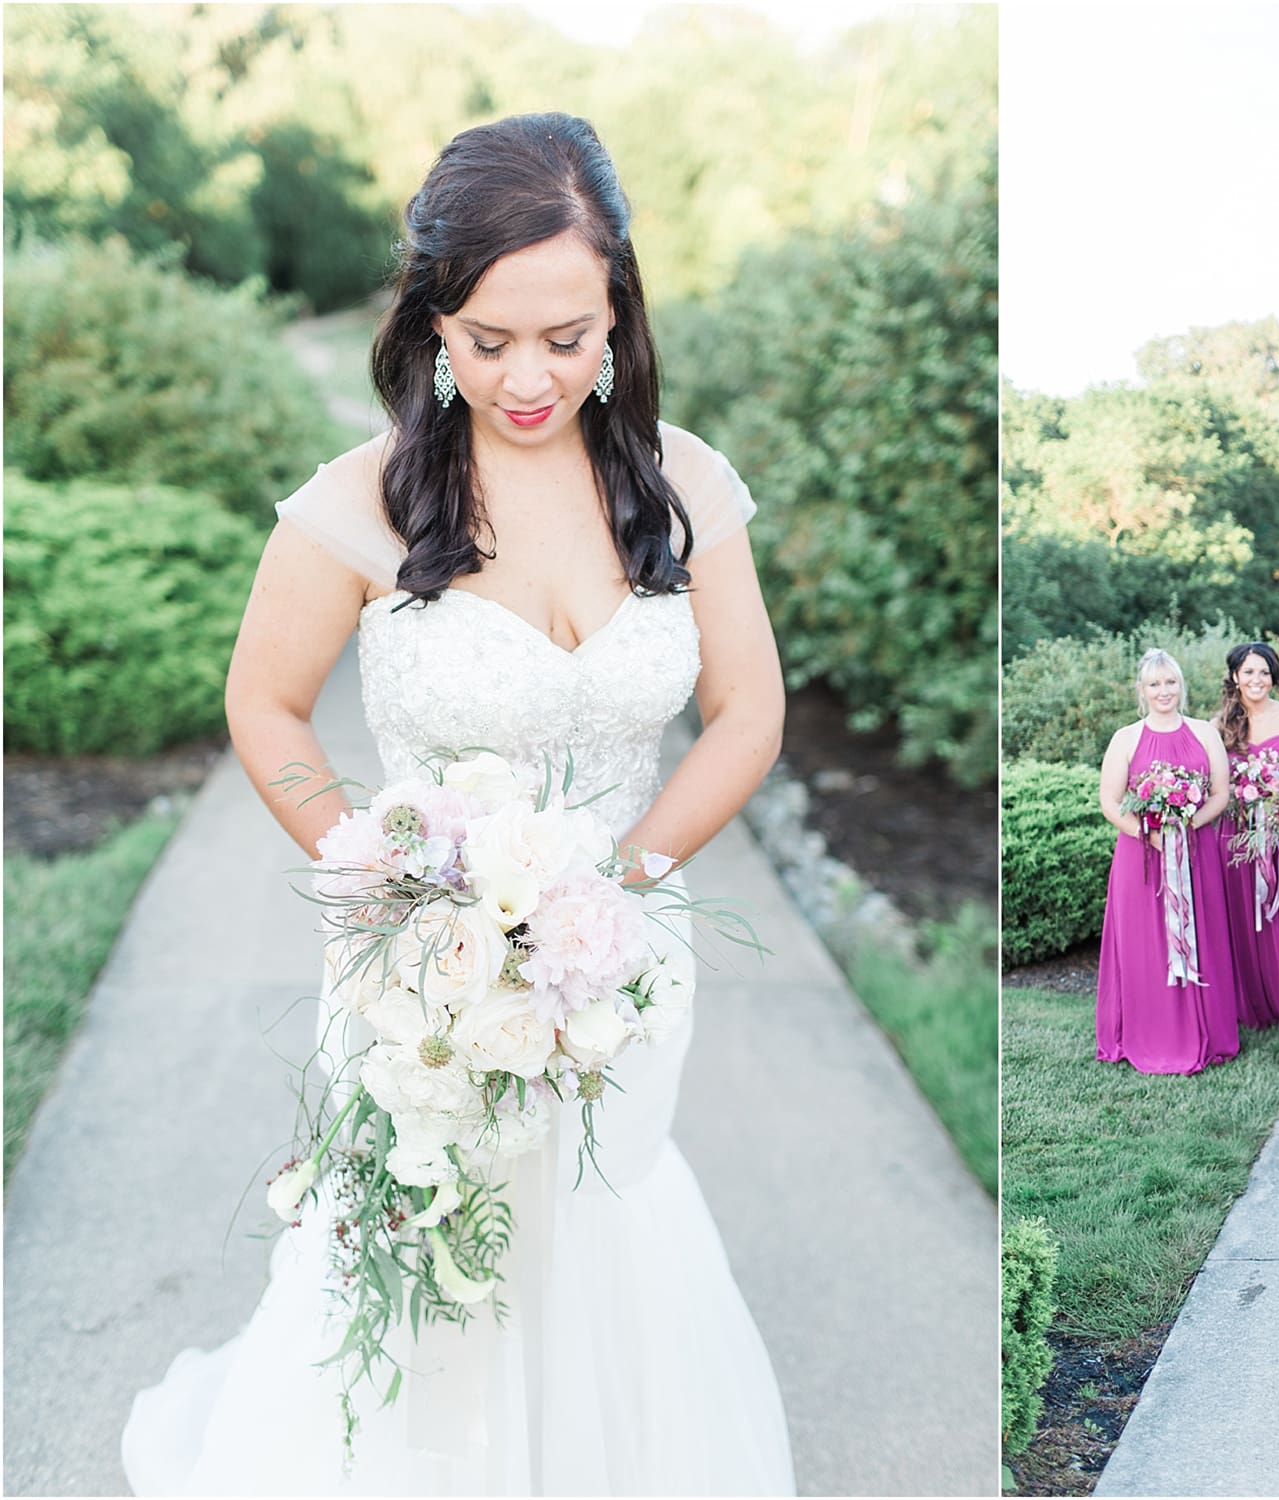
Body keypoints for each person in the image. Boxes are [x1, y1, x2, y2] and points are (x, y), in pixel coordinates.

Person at [122, 114, 795, 1495]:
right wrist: (380, 876)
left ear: (618, 310)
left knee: (601, 1228)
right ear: (433, 319)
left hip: (622, 959)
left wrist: (629, 884)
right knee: (432, 1239)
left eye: (567, 334)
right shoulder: (361, 500)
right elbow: (264, 705)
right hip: (424, 970)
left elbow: (750, 712)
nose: (531, 375)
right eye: (488, 340)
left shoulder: (684, 485)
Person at [1096, 649, 1242, 1073]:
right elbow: (1110, 802)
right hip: (1142, 857)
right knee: (1146, 943)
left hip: (1197, 852)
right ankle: (1149, 1032)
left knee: (1203, 932)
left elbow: (1221, 793)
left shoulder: (1203, 733)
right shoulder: (1126, 737)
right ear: (1142, 690)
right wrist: (1152, 835)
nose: (1164, 691)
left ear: (1182, 686)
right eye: (1155, 684)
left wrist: (1186, 826)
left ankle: (1206, 1032)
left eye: (1171, 682)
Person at [1213, 642, 1279, 1029]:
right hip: (1235, 839)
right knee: (1241, 915)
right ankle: (1248, 999)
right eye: (1249, 672)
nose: (1257, 680)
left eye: (1264, 672)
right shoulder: (1218, 726)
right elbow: (1214, 785)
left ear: (1274, 677)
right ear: (1235, 676)